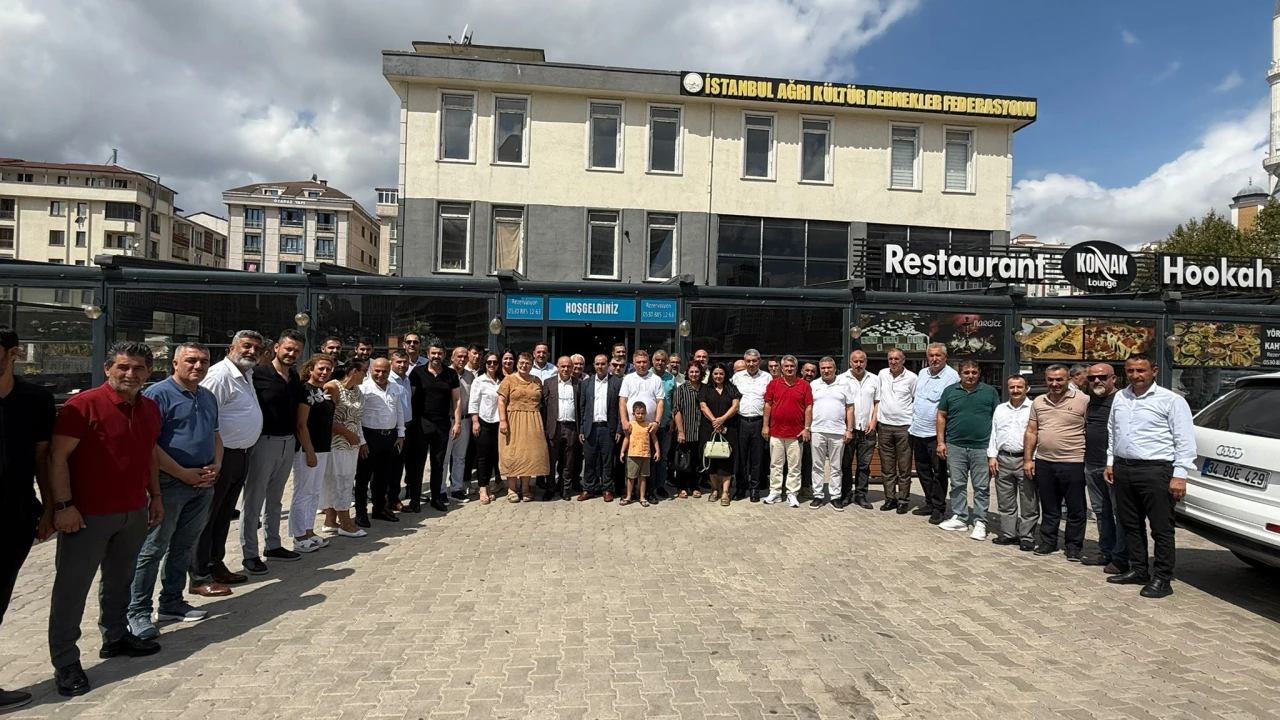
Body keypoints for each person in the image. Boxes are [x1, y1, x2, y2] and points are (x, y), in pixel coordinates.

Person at [48, 342, 164, 697]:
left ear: (148, 372)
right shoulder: (82, 406)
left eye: (138, 368)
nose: (130, 374)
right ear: (107, 368)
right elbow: (57, 457)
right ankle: (66, 661)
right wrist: (63, 505)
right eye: (123, 367)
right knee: (71, 590)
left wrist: (156, 496)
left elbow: (150, 454)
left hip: (133, 511)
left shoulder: (149, 408)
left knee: (119, 581)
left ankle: (115, 636)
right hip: (87, 516)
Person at [128, 342, 222, 641]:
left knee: (183, 546)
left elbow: (215, 434)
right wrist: (181, 473)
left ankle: (171, 602)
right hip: (169, 483)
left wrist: (217, 464)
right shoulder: (157, 395)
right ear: (175, 363)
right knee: (153, 549)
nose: (198, 366)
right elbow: (150, 445)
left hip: (203, 483)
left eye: (203, 361)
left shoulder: (207, 396)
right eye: (191, 360)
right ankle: (137, 611)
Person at [1105, 355, 1195, 599]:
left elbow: (1184, 439)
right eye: (1130, 371)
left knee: (1161, 527)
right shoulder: (1121, 397)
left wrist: (1180, 474)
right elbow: (1113, 431)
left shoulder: (1171, 400)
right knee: (1130, 524)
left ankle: (1163, 578)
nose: (1135, 375)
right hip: (1124, 468)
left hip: (1156, 470)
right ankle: (1139, 570)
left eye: (1141, 370)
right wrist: (1111, 461)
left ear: (1154, 371)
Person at [0, 328, 56, 711]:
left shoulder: (35, 399)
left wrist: (50, 508)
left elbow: (42, 459)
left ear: (13, 354)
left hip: (15, 518)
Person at [189, 330, 261, 598]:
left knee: (223, 515)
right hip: (221, 457)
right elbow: (205, 418)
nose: (251, 351)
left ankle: (215, 564)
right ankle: (198, 574)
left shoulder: (246, 374)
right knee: (207, 517)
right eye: (246, 346)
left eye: (256, 348)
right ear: (232, 348)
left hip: (241, 454)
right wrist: (213, 459)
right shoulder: (219, 375)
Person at [242, 329, 306, 575]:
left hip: (287, 443)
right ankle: (250, 553)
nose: (291, 353)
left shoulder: (294, 378)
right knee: (253, 501)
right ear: (277, 348)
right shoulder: (256, 375)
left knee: (276, 499)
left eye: (296, 351)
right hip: (263, 443)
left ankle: (273, 544)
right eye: (288, 348)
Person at [1024, 364, 1090, 560]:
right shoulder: (1039, 401)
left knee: (1075, 508)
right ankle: (1048, 541)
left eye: (1059, 379)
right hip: (1045, 462)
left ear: (1068, 379)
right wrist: (1028, 459)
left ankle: (1073, 546)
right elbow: (1031, 431)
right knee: (1049, 506)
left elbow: (1090, 429)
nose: (1055, 383)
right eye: (1051, 380)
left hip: (1074, 461)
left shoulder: (1083, 400)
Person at [936, 360, 1000, 539]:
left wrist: (994, 449)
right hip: (955, 445)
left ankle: (980, 521)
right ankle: (960, 517)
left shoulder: (989, 392)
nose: (970, 376)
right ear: (960, 374)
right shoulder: (950, 391)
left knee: (981, 487)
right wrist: (941, 442)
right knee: (957, 484)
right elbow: (941, 416)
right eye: (966, 372)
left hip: (982, 447)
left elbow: (997, 419)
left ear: (979, 373)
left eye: (974, 372)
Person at [1082, 363, 1127, 572]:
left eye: (1102, 377)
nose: (1097, 381)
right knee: (1101, 511)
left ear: (1113, 378)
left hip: (1114, 467)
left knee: (1120, 513)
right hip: (1092, 464)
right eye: (1092, 378)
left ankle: (1121, 557)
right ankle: (1106, 552)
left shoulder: (1123, 400)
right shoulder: (1091, 401)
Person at [909, 343, 959, 524]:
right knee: (923, 470)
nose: (934, 359)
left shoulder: (952, 377)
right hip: (918, 431)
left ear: (945, 357)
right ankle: (929, 502)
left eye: (938, 355)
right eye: (931, 355)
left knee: (939, 473)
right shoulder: (923, 373)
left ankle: (939, 508)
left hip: (936, 434)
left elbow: (951, 407)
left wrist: (942, 439)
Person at [291, 354, 337, 553]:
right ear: (310, 369)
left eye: (328, 369)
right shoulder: (304, 390)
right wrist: (309, 451)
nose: (324, 372)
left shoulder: (323, 391)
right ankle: (298, 535)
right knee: (302, 492)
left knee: (314, 492)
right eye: (320, 368)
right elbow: (301, 424)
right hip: (307, 449)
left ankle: (309, 530)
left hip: (324, 447)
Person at [409, 343, 461, 513]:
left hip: (442, 424)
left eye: (439, 353)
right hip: (421, 423)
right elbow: (410, 396)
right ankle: (415, 499)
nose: (436, 356)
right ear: (428, 354)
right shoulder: (417, 373)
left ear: (444, 355)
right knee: (418, 463)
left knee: (438, 463)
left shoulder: (450, 374)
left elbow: (456, 399)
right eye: (433, 353)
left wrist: (457, 423)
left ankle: (436, 498)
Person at [987, 375, 1035, 551]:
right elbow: (994, 433)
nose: (1015, 390)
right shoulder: (1000, 409)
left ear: (1026, 388)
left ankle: (1027, 536)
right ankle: (1009, 534)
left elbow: (1037, 434)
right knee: (1005, 501)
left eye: (1019, 387)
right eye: (1012, 387)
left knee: (1028, 501)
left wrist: (1032, 459)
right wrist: (992, 456)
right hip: (1003, 459)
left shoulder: (1033, 408)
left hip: (1025, 459)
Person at [320, 357, 367, 538]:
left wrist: (360, 441)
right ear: (354, 371)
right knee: (338, 481)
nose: (365, 375)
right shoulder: (332, 387)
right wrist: (347, 433)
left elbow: (357, 419)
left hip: (351, 446)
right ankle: (346, 523)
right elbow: (325, 418)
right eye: (364, 371)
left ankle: (331, 521)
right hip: (335, 444)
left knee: (344, 479)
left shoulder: (356, 391)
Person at [356, 358, 405, 525]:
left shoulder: (395, 387)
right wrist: (362, 441)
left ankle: (379, 509)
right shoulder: (363, 388)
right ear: (371, 370)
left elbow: (399, 411)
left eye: (384, 371)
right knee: (363, 477)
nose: (380, 374)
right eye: (377, 371)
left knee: (383, 476)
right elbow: (357, 416)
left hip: (389, 437)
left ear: (389, 371)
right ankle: (361, 513)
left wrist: (401, 434)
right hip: (370, 436)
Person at [763, 355, 813, 508]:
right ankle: (775, 492)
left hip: (796, 433)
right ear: (782, 368)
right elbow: (768, 405)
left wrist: (806, 428)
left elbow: (809, 407)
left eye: (792, 366)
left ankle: (792, 493)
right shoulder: (773, 384)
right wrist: (765, 426)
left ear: (796, 368)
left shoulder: (804, 385)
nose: (789, 369)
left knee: (794, 466)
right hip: (776, 432)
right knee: (775, 464)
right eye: (786, 366)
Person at [498, 352, 548, 502]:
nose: (524, 366)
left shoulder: (537, 380)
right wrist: (503, 420)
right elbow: (501, 401)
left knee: (528, 454)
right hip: (512, 420)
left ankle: (526, 488)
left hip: (533, 420)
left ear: (532, 365)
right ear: (517, 363)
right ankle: (512, 488)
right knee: (512, 453)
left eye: (527, 363)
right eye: (521, 363)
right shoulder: (509, 380)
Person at [618, 352, 665, 499]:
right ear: (634, 363)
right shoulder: (628, 379)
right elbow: (622, 401)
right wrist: (624, 421)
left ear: (649, 363)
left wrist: (657, 422)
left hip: (649, 427)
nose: (642, 365)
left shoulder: (656, 379)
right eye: (638, 362)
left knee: (649, 463)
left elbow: (660, 402)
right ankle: (630, 493)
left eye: (644, 362)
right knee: (631, 462)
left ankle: (649, 493)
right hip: (632, 428)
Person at [808, 357, 852, 510]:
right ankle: (818, 495)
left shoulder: (844, 384)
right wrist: (807, 427)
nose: (826, 371)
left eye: (829, 368)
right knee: (817, 465)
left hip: (838, 431)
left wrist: (849, 429)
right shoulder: (814, 385)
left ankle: (835, 496)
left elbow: (850, 408)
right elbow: (809, 408)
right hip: (817, 430)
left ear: (835, 368)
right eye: (823, 368)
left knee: (836, 467)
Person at [876, 349, 916, 513]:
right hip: (884, 426)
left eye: (896, 359)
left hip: (904, 427)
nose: (893, 362)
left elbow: (916, 400)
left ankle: (903, 500)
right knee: (887, 467)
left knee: (904, 467)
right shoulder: (882, 374)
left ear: (903, 360)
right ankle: (890, 499)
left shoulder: (912, 378)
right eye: (890, 359)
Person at [839, 350, 879, 510]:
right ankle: (846, 493)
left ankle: (861, 495)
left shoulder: (874, 379)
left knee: (864, 465)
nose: (858, 364)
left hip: (867, 429)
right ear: (850, 362)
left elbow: (877, 402)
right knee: (846, 464)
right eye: (855, 361)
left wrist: (874, 421)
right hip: (848, 429)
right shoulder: (841, 379)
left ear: (866, 362)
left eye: (861, 361)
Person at [577, 354, 621, 502]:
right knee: (590, 460)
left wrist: (619, 429)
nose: (600, 367)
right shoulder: (586, 383)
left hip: (608, 427)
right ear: (594, 365)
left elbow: (620, 408)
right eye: (597, 364)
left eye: (603, 364)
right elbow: (582, 407)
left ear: (608, 365)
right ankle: (588, 488)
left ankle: (607, 489)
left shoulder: (616, 382)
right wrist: (582, 429)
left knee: (607, 460)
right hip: (590, 427)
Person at [731, 350, 770, 502]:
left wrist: (766, 425)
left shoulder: (766, 377)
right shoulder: (737, 377)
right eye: (748, 361)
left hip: (758, 421)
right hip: (740, 421)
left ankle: (754, 488)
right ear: (745, 361)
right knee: (741, 457)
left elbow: (768, 402)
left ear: (759, 361)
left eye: (754, 361)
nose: (751, 364)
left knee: (757, 457)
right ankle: (741, 488)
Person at [699, 363, 741, 506]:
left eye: (721, 374)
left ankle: (725, 491)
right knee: (712, 459)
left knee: (727, 460)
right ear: (711, 375)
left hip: (728, 428)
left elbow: (735, 406)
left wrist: (722, 419)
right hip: (709, 428)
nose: (718, 376)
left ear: (725, 375)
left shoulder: (731, 388)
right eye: (716, 374)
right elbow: (703, 406)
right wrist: (714, 421)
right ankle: (714, 489)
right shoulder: (705, 389)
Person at [541, 356, 581, 501]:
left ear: (572, 368)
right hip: (554, 427)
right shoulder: (549, 383)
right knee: (551, 460)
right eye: (562, 366)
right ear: (557, 367)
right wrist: (544, 428)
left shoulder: (578, 383)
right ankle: (550, 488)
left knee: (568, 461)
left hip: (571, 427)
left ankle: (565, 489)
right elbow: (544, 407)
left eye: (568, 366)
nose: (565, 369)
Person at [470, 353, 502, 504]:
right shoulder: (479, 381)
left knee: (494, 456)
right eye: (489, 362)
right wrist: (475, 421)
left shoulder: (502, 381)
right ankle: (482, 488)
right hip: (483, 421)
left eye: (495, 362)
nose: (492, 365)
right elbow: (474, 402)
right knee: (483, 457)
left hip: (499, 422)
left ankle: (488, 486)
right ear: (485, 364)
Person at [443, 346, 474, 504]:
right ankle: (441, 490)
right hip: (447, 420)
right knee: (444, 457)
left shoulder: (470, 376)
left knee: (460, 457)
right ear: (452, 357)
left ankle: (456, 488)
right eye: (459, 356)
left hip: (465, 420)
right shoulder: (444, 373)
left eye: (465, 357)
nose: (462, 359)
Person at [670, 362, 706, 499]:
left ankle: (695, 486)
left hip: (702, 430)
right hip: (686, 430)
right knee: (684, 460)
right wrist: (680, 431)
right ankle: (682, 487)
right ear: (687, 373)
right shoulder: (681, 389)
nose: (694, 374)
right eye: (691, 372)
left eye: (697, 372)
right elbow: (677, 410)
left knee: (697, 461)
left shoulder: (706, 389)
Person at [387, 349, 414, 507]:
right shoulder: (388, 380)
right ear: (391, 362)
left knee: (399, 465)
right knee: (391, 466)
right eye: (398, 362)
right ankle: (389, 500)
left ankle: (394, 498)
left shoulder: (406, 380)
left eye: (405, 362)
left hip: (406, 427)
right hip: (393, 429)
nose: (402, 365)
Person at [651, 349, 678, 501]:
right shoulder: (647, 376)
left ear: (666, 362)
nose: (660, 363)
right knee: (648, 457)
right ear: (652, 361)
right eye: (657, 360)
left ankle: (660, 486)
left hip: (665, 425)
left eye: (663, 360)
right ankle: (648, 487)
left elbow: (674, 402)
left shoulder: (671, 379)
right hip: (648, 424)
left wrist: (672, 419)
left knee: (663, 457)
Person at [620, 402, 658, 506]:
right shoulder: (631, 425)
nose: (640, 415)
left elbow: (654, 439)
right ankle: (628, 496)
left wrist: (657, 451)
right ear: (633, 414)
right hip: (632, 455)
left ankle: (642, 497)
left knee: (643, 477)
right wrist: (622, 452)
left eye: (642, 413)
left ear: (646, 413)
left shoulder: (649, 425)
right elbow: (627, 439)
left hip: (645, 455)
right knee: (631, 477)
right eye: (638, 413)